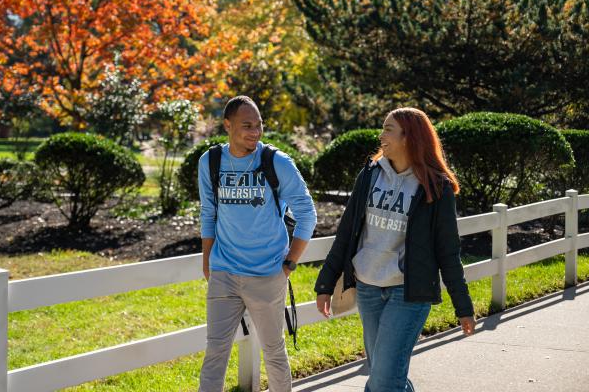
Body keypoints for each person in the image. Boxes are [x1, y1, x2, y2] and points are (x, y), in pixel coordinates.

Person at [314, 107, 476, 392]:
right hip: (368, 288)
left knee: (384, 380)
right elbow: (346, 232)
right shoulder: (370, 176)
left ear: (408, 137)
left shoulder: (436, 187)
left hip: (408, 292)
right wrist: (326, 283)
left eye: (388, 129)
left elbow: (448, 250)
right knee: (385, 374)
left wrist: (463, 306)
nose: (381, 135)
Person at [198, 95, 317, 392]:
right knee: (215, 353)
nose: (255, 132)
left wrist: (289, 263)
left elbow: (307, 213)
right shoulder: (210, 161)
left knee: (274, 352)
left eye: (259, 125)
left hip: (267, 274)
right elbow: (208, 212)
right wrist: (208, 261)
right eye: (246, 125)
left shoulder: (276, 162)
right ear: (227, 125)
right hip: (224, 273)